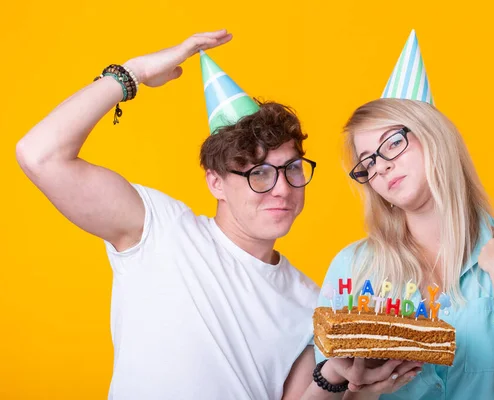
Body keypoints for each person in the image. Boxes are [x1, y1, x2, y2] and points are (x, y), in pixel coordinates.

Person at [16, 29, 324, 400]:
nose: (282, 188)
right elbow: (39, 154)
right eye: (258, 172)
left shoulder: (313, 304)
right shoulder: (159, 230)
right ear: (216, 183)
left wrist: (343, 378)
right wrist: (134, 72)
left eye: (291, 168)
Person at [314, 30, 494, 399]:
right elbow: (327, 388)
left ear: (434, 136)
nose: (382, 167)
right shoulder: (352, 267)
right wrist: (355, 383)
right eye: (368, 162)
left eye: (393, 143)